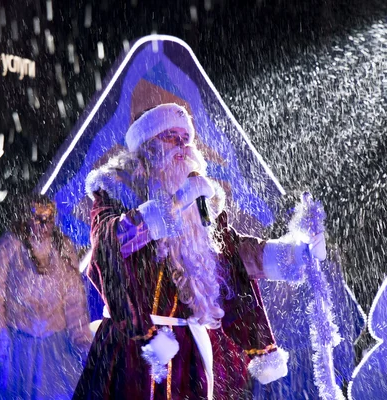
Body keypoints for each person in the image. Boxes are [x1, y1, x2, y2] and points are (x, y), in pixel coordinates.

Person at [73, 103, 326, 400]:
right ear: (148, 146)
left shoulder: (201, 199)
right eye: (171, 136)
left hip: (187, 352)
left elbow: (232, 256)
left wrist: (294, 255)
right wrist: (173, 206)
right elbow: (108, 247)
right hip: (132, 345)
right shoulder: (118, 191)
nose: (182, 144)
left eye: (186, 137)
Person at [0, 194, 93, 400]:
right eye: (38, 217)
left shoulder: (64, 248)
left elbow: (75, 302)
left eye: (48, 218)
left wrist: (82, 341)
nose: (43, 224)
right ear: (27, 217)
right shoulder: (11, 246)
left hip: (56, 349)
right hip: (19, 347)